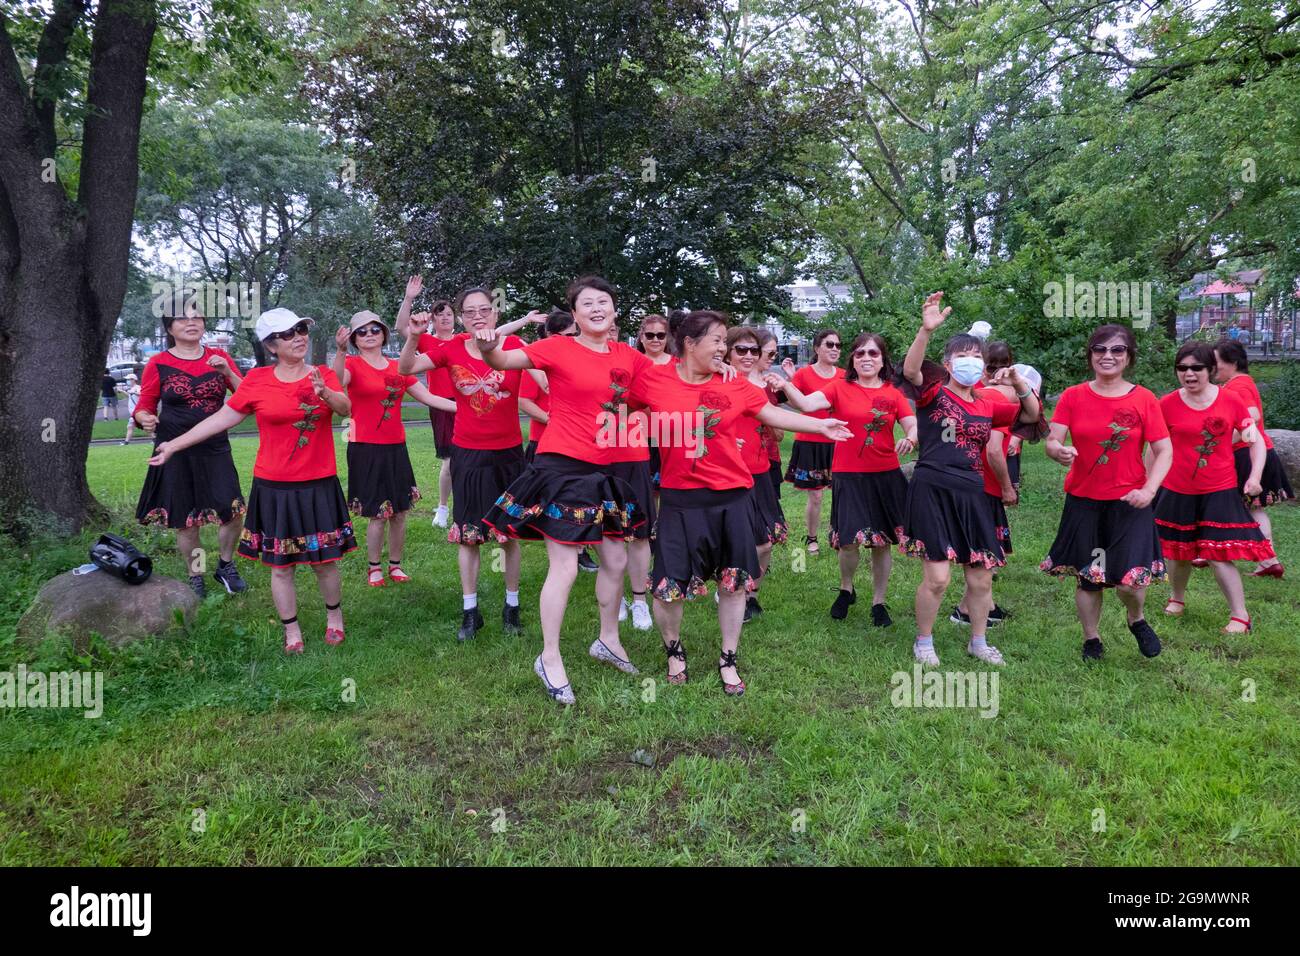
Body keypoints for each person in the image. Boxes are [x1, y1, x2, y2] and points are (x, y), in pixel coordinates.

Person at [626, 311, 851, 696]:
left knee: (733, 585)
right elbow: (629, 406)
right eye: (716, 340)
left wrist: (820, 425)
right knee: (667, 588)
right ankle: (673, 649)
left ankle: (728, 657)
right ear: (689, 344)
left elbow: (770, 413)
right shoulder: (654, 379)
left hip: (732, 497)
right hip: (680, 501)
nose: (722, 348)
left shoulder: (734, 384)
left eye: (723, 342)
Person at [477, 276, 657, 705]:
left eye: (605, 302)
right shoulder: (556, 348)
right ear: (574, 314)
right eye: (587, 303)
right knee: (567, 566)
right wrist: (486, 344)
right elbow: (502, 360)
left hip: (607, 469)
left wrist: (718, 369)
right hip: (562, 467)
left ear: (616, 311)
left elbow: (665, 386)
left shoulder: (628, 356)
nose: (597, 308)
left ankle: (608, 640)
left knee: (616, 558)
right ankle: (549, 657)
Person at [148, 308, 356, 654]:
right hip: (273, 487)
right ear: (271, 345)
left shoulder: (321, 374)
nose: (299, 337)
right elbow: (220, 419)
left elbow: (346, 407)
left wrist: (325, 395)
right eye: (289, 334)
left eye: (302, 329)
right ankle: (292, 631)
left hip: (318, 483)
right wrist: (174, 444)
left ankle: (334, 618)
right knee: (281, 565)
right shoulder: (258, 381)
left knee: (324, 562)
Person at [899, 292, 1040, 666]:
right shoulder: (933, 392)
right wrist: (925, 330)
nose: (971, 362)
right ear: (948, 363)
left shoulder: (986, 403)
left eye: (977, 357)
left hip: (973, 492)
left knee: (981, 578)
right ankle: (924, 641)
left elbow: (1030, 414)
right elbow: (911, 370)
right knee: (938, 578)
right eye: (964, 356)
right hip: (932, 489)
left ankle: (978, 641)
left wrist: (1019, 382)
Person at [399, 288, 535, 640]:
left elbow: (548, 376)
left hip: (508, 454)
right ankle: (470, 612)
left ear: (495, 313)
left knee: (507, 536)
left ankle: (512, 607)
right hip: (468, 453)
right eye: (470, 311)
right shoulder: (451, 348)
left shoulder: (515, 345)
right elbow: (406, 368)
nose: (478, 316)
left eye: (485, 310)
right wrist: (414, 335)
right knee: (469, 536)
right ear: (461, 316)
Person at [1041, 325, 1173, 660]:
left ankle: (1136, 618)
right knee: (1089, 578)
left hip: (1130, 503)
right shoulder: (1073, 396)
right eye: (1100, 349)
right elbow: (1053, 440)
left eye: (1117, 350)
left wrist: (1149, 489)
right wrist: (1057, 450)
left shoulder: (1144, 399)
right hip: (1084, 501)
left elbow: (1165, 450)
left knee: (1131, 581)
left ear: (1128, 357)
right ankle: (1092, 640)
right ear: (1090, 356)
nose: (1107, 356)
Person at [777, 332, 916, 627]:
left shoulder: (893, 392)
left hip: (885, 476)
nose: (866, 358)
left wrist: (912, 437)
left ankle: (879, 602)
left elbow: (910, 421)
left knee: (882, 542)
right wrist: (785, 383)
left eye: (873, 354)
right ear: (853, 359)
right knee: (849, 541)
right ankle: (846, 588)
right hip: (848, 475)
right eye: (860, 353)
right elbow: (804, 404)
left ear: (882, 360)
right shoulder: (839, 387)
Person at [134, 291, 248, 598]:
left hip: (215, 448)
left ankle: (225, 565)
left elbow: (246, 396)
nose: (191, 322)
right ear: (169, 327)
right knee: (186, 521)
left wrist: (227, 373)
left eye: (196, 316)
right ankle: (195, 575)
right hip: (175, 450)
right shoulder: (158, 363)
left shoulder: (219, 358)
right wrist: (144, 419)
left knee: (233, 511)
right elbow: (144, 406)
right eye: (182, 318)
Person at [1154, 341, 1274, 633]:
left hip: (1218, 490)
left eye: (1197, 368)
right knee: (1178, 552)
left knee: (1217, 554)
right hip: (1176, 488)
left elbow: (1254, 439)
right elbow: (1154, 447)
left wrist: (1255, 476)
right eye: (1182, 368)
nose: (1189, 374)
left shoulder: (1230, 401)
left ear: (1210, 369)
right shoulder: (1166, 404)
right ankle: (1177, 599)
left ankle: (1240, 616)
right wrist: (1150, 483)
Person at [332, 310, 456, 587]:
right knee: (377, 514)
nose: (369, 335)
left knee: (399, 512)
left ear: (384, 334)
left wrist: (465, 408)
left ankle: (395, 566)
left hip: (396, 448)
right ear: (354, 338)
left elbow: (429, 397)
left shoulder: (397, 366)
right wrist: (340, 352)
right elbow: (336, 382)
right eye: (362, 332)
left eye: (375, 329)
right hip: (364, 448)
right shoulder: (351, 363)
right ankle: (374, 567)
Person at [519, 310, 599, 574]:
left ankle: (581, 550)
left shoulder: (582, 359)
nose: (576, 338)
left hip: (579, 444)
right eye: (570, 334)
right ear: (554, 336)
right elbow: (523, 401)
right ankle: (563, 551)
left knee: (580, 501)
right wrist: (551, 419)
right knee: (551, 504)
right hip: (545, 444)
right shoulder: (539, 360)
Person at [1213, 339, 1291, 576]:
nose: (1212, 368)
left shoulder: (1239, 386)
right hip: (1254, 454)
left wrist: (1225, 442)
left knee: (1245, 508)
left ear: (1232, 363)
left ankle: (1265, 560)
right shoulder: (1236, 384)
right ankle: (1268, 560)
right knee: (1249, 510)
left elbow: (1253, 416)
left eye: (1215, 363)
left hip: (1249, 456)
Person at [725, 326, 787, 622]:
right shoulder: (716, 382)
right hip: (728, 472)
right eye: (741, 350)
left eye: (754, 350)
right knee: (735, 539)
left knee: (764, 542)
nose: (749, 355)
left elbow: (781, 428)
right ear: (727, 351)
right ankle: (734, 590)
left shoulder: (765, 386)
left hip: (761, 469)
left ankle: (752, 593)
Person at [395, 276, 458, 528]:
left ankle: (467, 505)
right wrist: (409, 297)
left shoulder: (463, 340)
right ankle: (442, 508)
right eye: (439, 314)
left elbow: (496, 335)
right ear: (432, 319)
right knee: (450, 460)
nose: (445, 318)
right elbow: (401, 327)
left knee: (471, 458)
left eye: (449, 314)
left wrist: (526, 321)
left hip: (467, 404)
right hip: (441, 404)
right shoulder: (427, 341)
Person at [780, 329, 845, 555]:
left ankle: (838, 534)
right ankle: (812, 538)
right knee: (816, 495)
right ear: (817, 348)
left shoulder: (845, 376)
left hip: (839, 442)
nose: (835, 349)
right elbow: (791, 402)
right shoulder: (803, 374)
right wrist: (791, 379)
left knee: (841, 492)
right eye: (829, 345)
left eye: (838, 345)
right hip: (810, 441)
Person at [754, 329, 786, 497]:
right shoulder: (734, 382)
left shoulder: (771, 384)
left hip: (770, 457)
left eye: (776, 353)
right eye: (770, 353)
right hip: (745, 460)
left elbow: (779, 435)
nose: (774, 357)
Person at [120, 373, 141, 445]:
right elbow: (130, 396)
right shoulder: (131, 388)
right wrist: (123, 392)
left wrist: (134, 392)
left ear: (133, 380)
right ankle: (126, 442)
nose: (127, 381)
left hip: (136, 411)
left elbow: (140, 393)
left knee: (130, 426)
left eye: (129, 379)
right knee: (130, 427)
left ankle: (126, 442)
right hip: (134, 412)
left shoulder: (137, 387)